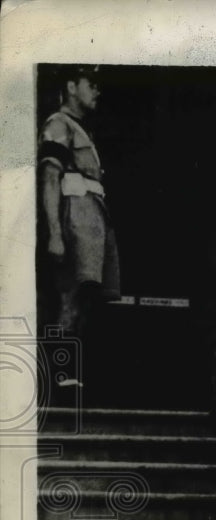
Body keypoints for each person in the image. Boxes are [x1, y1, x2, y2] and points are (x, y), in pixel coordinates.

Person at [37, 65, 121, 395]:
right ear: (72, 86)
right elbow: (49, 178)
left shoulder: (82, 130)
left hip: (94, 219)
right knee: (70, 295)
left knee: (86, 297)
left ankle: (65, 374)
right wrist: (55, 232)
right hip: (75, 220)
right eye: (91, 83)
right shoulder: (59, 124)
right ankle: (57, 376)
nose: (96, 90)